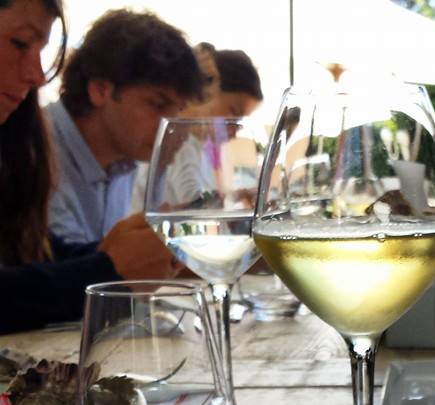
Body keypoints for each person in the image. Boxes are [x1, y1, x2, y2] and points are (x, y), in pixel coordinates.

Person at [0, 0, 179, 333]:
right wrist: (108, 270)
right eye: (20, 43)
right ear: (100, 89)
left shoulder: (17, 142)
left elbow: (28, 252)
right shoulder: (45, 145)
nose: (37, 75)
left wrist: (114, 253)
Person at [45, 9, 204, 245]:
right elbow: (64, 263)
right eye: (158, 104)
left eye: (179, 109)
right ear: (100, 90)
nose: (171, 126)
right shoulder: (34, 147)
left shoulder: (124, 159)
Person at [127, 47, 264, 214]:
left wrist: (237, 196)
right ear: (209, 93)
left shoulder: (203, 148)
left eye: (241, 120)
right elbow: (193, 206)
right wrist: (237, 199)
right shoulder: (179, 144)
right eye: (234, 111)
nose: (235, 127)